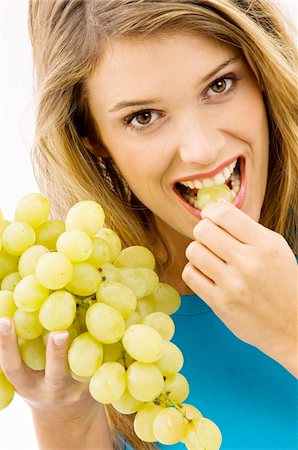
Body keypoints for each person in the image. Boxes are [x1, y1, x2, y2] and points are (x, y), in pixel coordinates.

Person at [0, 0, 297, 449]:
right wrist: (64, 419)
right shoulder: (106, 326)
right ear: (93, 139)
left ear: (261, 71)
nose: (200, 148)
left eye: (219, 85)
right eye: (143, 117)